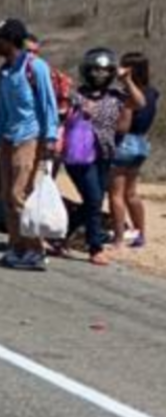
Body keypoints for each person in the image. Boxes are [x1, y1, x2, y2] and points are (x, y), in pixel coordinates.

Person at [0, 18, 59, 270]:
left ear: (10, 40)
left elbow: (49, 106)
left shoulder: (36, 68)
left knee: (19, 194)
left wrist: (50, 139)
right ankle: (16, 248)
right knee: (7, 197)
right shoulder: (4, 71)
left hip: (30, 138)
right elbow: (0, 111)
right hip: (8, 138)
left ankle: (35, 249)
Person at [62, 48, 132, 266]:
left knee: (93, 200)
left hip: (105, 155)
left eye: (105, 70)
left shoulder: (118, 96)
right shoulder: (74, 95)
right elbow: (61, 121)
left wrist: (127, 81)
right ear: (86, 70)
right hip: (78, 155)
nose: (99, 74)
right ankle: (95, 247)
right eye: (95, 69)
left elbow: (127, 120)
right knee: (93, 199)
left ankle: (57, 236)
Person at [110, 52, 156, 249]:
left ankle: (119, 238)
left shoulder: (129, 94)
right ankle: (140, 234)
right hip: (141, 143)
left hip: (124, 143)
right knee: (132, 193)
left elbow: (123, 123)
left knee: (116, 194)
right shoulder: (152, 92)